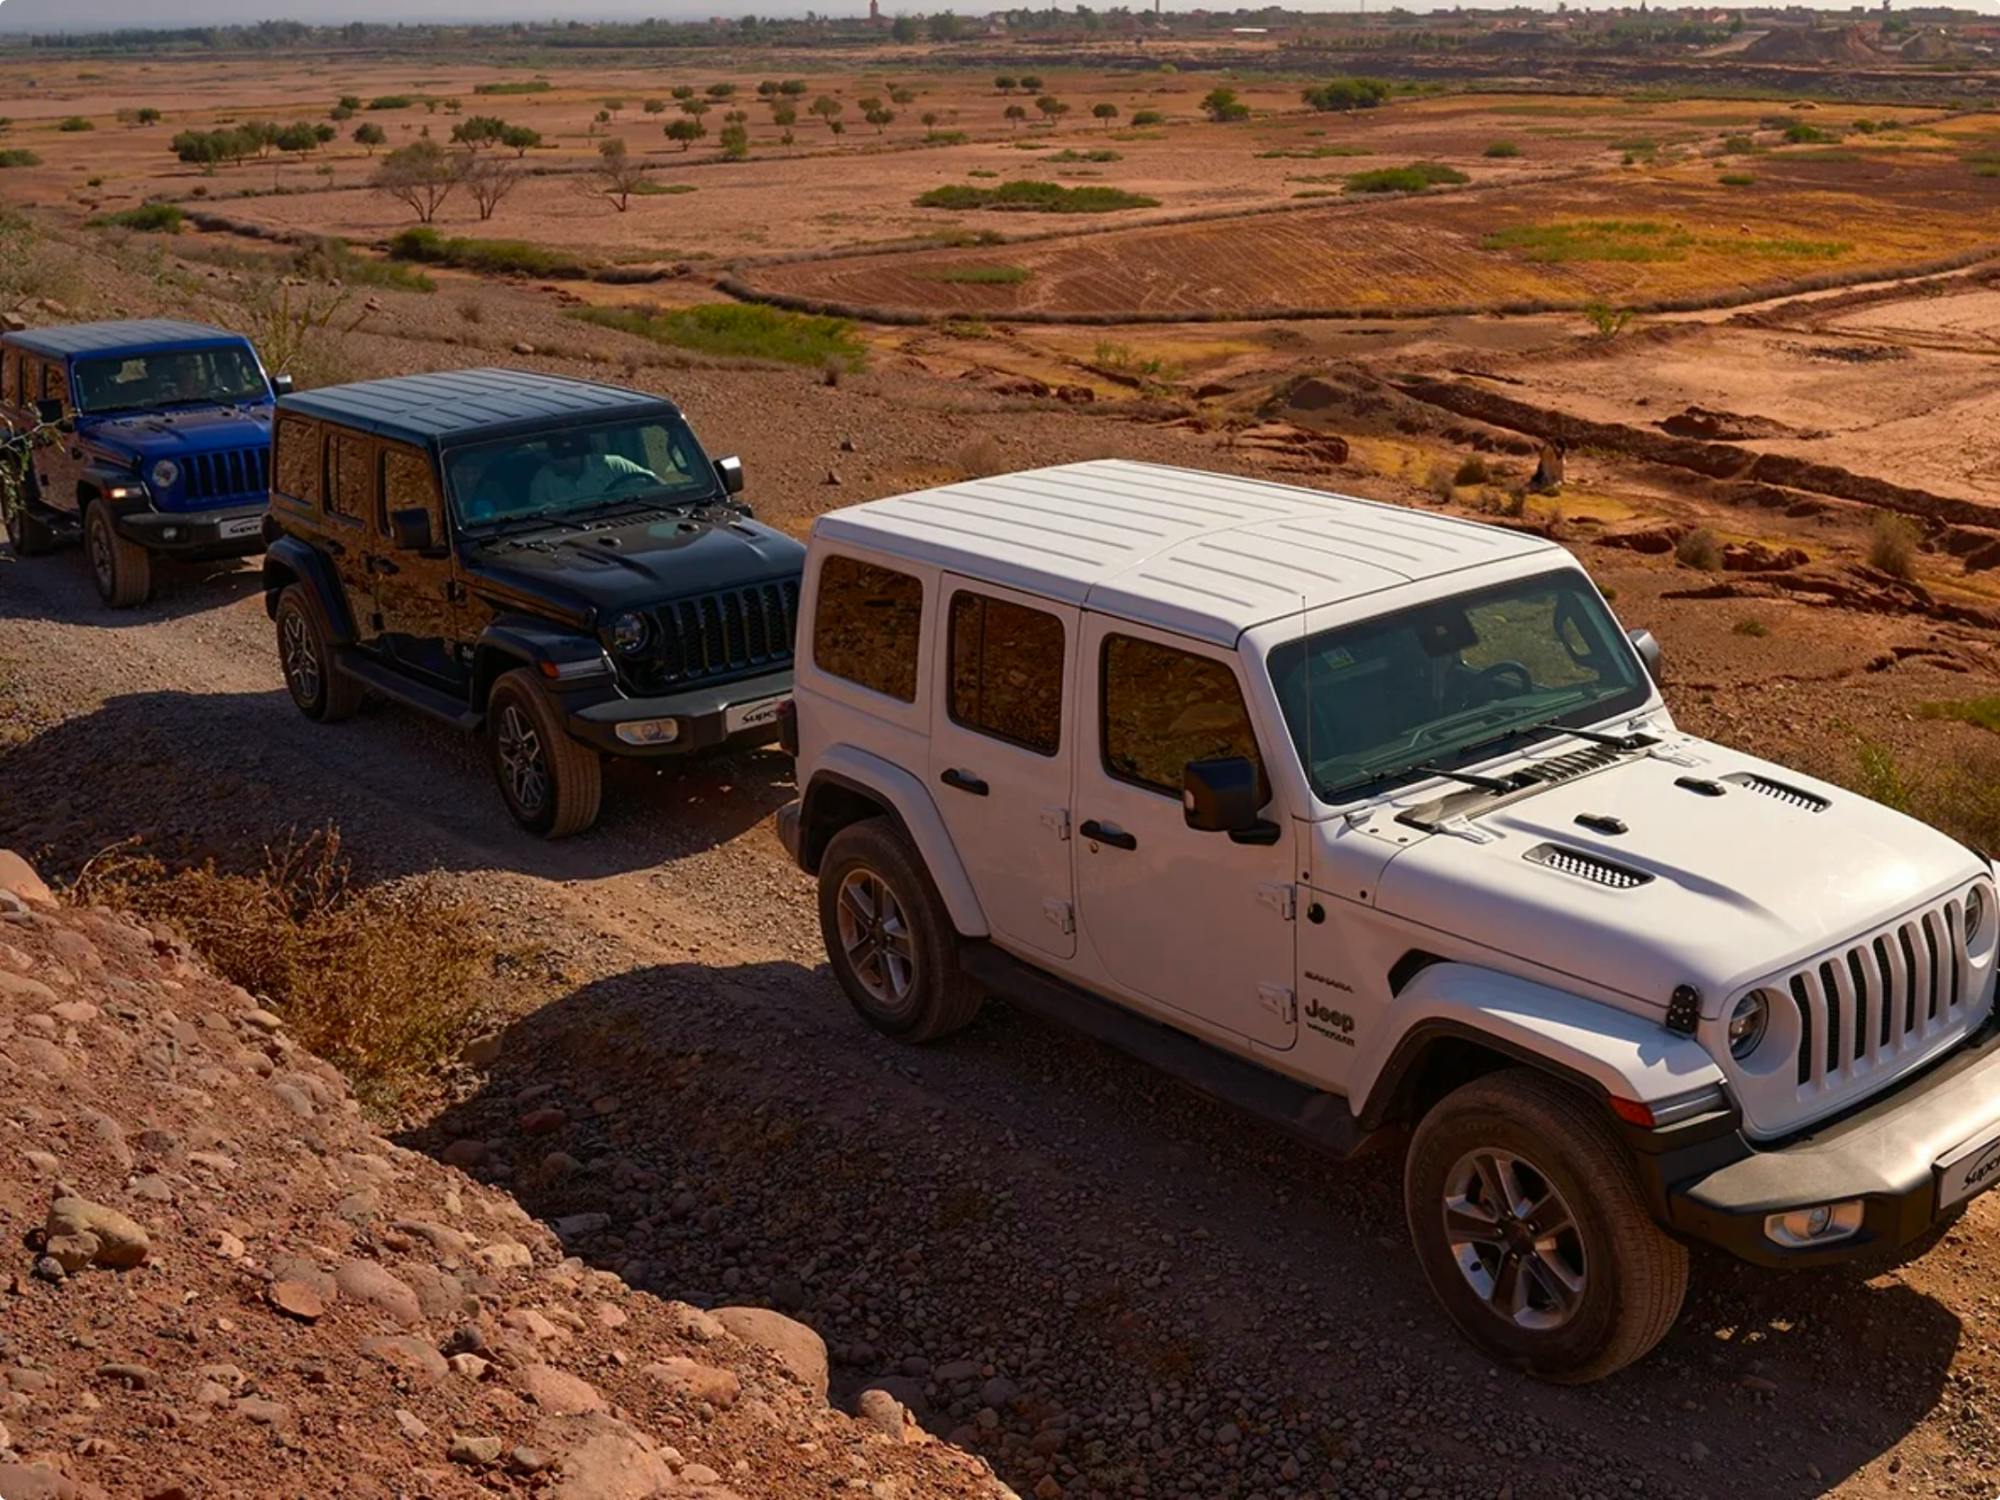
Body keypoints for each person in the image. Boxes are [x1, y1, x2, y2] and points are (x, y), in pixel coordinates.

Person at [526, 433, 658, 513]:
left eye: (561, 458)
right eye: (553, 457)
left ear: (577, 455)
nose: (554, 462)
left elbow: (655, 483)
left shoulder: (613, 465)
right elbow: (534, 515)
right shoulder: (543, 480)